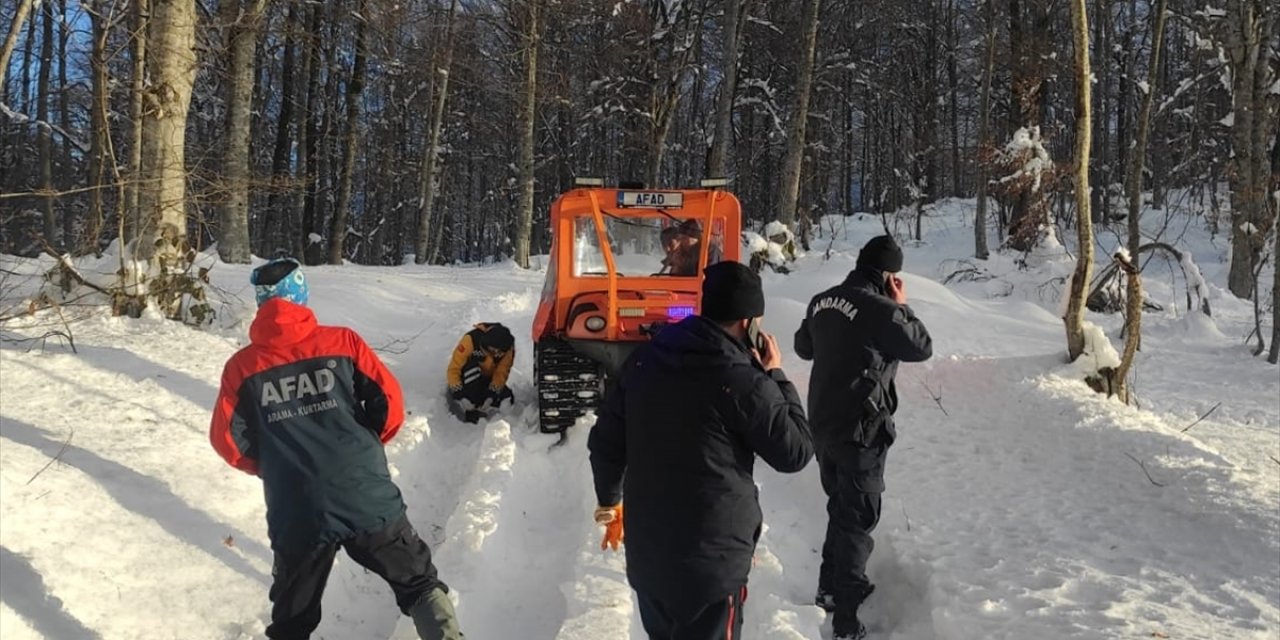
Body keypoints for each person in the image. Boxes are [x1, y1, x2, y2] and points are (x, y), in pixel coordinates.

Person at [209, 257, 465, 640]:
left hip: (297, 508)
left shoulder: (241, 368)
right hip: (364, 493)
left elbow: (228, 441)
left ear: (263, 301)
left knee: (291, 622)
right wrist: (365, 447)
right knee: (419, 583)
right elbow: (390, 404)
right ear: (300, 294)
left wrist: (275, 465)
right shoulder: (342, 343)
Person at [588, 260, 813, 640]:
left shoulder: (643, 360)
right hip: (711, 570)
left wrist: (610, 503)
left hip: (650, 561)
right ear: (749, 322)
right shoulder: (742, 380)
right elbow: (795, 452)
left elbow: (606, 444)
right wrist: (776, 375)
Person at [793, 235, 933, 640]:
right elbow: (920, 346)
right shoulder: (881, 308)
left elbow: (804, 347)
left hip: (821, 422)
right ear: (889, 275)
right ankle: (847, 621)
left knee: (841, 505)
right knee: (858, 518)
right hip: (862, 426)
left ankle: (829, 587)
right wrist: (900, 305)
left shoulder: (822, 300)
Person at [445, 323, 515, 423]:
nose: (496, 354)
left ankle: (485, 407)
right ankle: (466, 405)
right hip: (467, 379)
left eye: (499, 352)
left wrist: (491, 395)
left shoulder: (507, 349)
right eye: (493, 350)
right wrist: (459, 394)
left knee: (507, 397)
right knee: (473, 370)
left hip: (487, 379)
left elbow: (501, 373)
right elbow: (453, 369)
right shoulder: (470, 340)